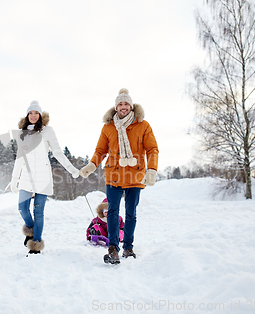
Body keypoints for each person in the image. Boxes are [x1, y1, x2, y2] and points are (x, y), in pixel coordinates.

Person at [79, 88, 159, 264]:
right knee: (112, 212)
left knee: (131, 213)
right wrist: (91, 165)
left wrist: (151, 170)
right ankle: (113, 248)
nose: (123, 107)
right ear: (116, 107)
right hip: (113, 174)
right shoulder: (108, 127)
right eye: (120, 104)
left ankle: (128, 247)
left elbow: (152, 149)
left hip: (135, 175)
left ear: (131, 106)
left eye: (126, 104)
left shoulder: (143, 125)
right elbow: (100, 150)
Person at [11, 100, 80, 254]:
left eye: (36, 113)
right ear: (27, 115)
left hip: (43, 176)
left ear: (40, 115)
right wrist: (14, 180)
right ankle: (32, 230)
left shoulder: (48, 131)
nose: (33, 115)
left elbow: (57, 152)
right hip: (26, 176)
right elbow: (19, 158)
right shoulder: (22, 134)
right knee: (22, 208)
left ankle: (35, 243)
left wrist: (71, 169)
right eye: (31, 113)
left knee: (38, 211)